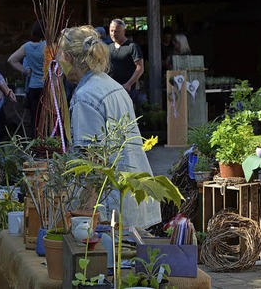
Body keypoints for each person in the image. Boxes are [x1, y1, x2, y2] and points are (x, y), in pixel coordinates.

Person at [58, 25, 161, 229]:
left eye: (60, 55)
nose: (59, 63)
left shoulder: (85, 96)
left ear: (69, 57)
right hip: (134, 196)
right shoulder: (110, 84)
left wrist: (86, 217)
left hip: (113, 208)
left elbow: (91, 162)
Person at [8, 20, 46, 138]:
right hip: (46, 87)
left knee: (34, 119)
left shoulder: (27, 46)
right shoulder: (48, 46)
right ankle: (47, 143)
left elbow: (11, 60)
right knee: (47, 119)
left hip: (33, 88)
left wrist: (25, 70)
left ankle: (35, 142)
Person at [108, 19, 145, 105]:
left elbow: (140, 68)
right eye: (111, 31)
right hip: (111, 90)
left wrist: (129, 84)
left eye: (116, 31)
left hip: (127, 90)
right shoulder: (108, 48)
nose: (113, 34)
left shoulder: (132, 47)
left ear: (124, 31)